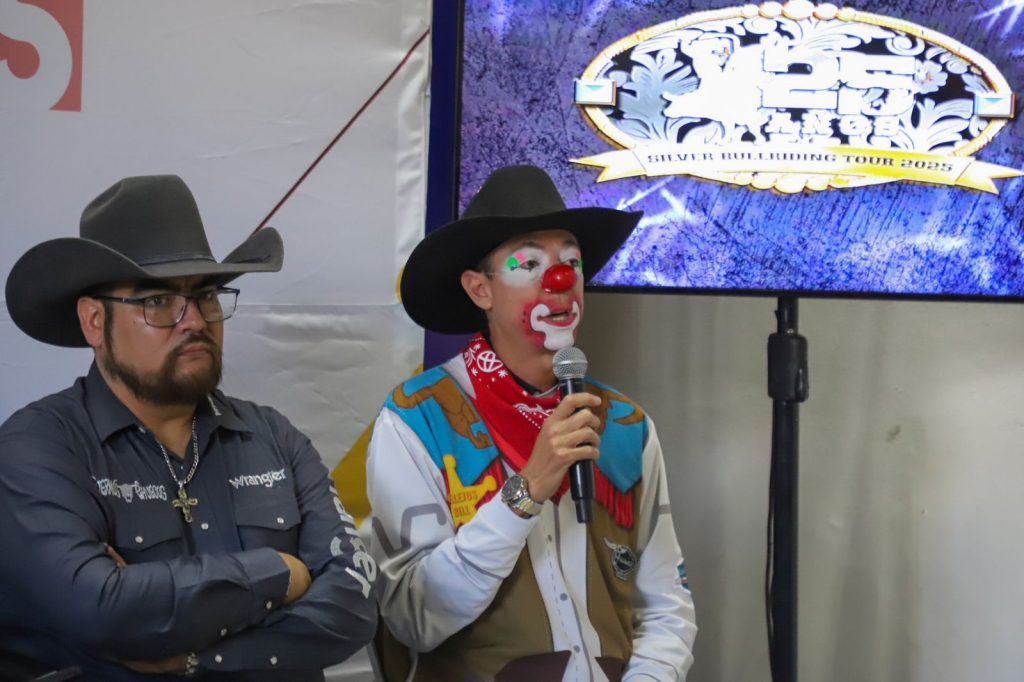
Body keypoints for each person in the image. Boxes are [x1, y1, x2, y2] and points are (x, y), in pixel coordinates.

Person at [0, 175, 378, 680]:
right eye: (157, 301)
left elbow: (355, 603)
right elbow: (101, 611)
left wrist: (197, 659)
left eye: (207, 296)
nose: (195, 320)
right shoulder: (39, 447)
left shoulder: (274, 436)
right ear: (94, 321)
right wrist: (282, 573)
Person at [366, 165, 696, 681]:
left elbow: (665, 604)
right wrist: (527, 491)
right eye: (529, 263)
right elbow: (415, 617)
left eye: (571, 261)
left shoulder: (627, 426)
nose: (560, 280)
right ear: (480, 290)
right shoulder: (417, 419)